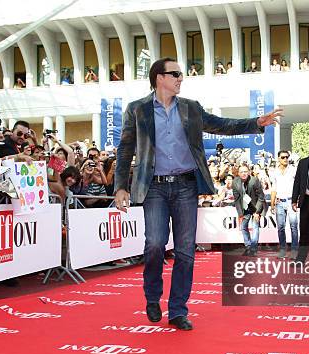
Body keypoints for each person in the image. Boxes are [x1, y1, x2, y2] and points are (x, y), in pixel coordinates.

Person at [113, 57, 282, 330]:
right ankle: (153, 297)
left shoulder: (190, 108)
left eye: (181, 74)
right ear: (159, 77)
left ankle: (178, 310)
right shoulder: (137, 109)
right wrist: (121, 186)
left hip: (186, 186)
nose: (181, 78)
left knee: (185, 251)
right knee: (155, 244)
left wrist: (256, 123)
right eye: (175, 74)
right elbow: (125, 149)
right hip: (153, 186)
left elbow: (221, 124)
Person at [271, 150, 299, 259]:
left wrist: (296, 200)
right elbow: (274, 188)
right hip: (279, 202)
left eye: (287, 157)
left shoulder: (293, 170)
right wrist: (272, 204)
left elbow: (298, 185)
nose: (285, 159)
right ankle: (282, 249)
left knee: (294, 226)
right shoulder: (274, 171)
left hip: (291, 201)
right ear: (278, 158)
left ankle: (294, 250)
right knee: (281, 227)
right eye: (283, 157)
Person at [233, 164, 264, 257]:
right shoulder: (235, 182)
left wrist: (257, 212)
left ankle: (254, 249)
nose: (243, 173)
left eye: (245, 171)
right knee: (243, 227)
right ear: (238, 173)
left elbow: (261, 197)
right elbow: (237, 199)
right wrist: (240, 214)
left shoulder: (254, 180)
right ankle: (248, 247)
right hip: (245, 207)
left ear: (249, 172)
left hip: (255, 205)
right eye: (241, 172)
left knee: (255, 226)